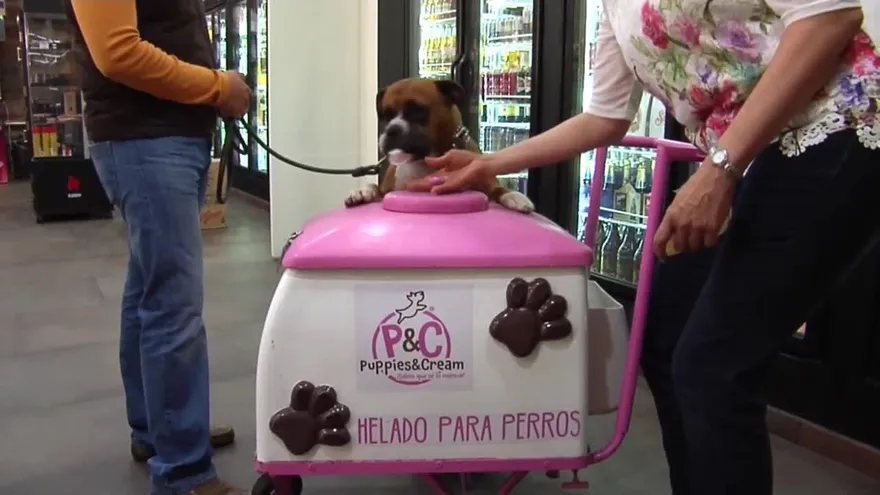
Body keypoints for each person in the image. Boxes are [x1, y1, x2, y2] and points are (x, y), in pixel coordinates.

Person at [409, 2, 879, 494]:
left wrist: (719, 168)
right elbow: (604, 118)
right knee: (664, 338)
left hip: (837, 133)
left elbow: (830, 18)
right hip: (746, 159)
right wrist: (491, 163)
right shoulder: (613, 10)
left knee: (712, 368)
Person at [65, 0, 251, 493]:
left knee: (147, 289)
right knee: (173, 304)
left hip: (164, 139)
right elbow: (118, 52)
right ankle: (184, 472)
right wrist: (217, 87)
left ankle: (162, 429)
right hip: (145, 141)